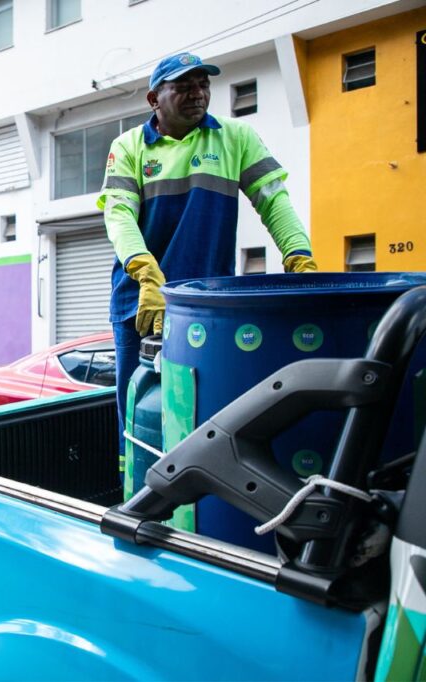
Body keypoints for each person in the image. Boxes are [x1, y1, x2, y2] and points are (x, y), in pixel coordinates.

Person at [97, 52, 318, 459]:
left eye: (203, 85)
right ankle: (134, 493)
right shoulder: (128, 146)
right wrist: (146, 273)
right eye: (183, 86)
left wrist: (299, 257)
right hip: (140, 304)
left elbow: (274, 202)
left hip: (207, 304)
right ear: (154, 99)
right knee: (137, 414)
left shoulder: (236, 139)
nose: (197, 94)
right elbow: (119, 214)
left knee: (206, 414)